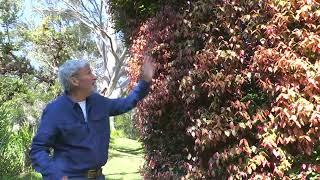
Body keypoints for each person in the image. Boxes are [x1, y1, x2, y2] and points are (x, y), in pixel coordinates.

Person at [30, 57, 154, 180]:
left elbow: (126, 103)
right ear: (74, 81)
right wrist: (54, 175)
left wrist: (145, 81)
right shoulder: (55, 111)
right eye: (89, 73)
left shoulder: (99, 102)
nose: (94, 77)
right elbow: (38, 149)